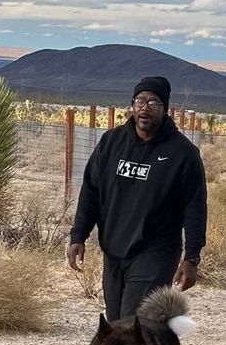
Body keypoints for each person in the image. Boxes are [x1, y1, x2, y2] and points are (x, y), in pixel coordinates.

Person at [67, 76, 207, 321]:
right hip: (114, 248)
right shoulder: (111, 142)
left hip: (156, 251)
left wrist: (192, 257)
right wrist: (79, 234)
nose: (145, 108)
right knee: (116, 322)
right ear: (132, 106)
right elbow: (91, 190)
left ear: (165, 109)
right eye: (140, 101)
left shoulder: (183, 153)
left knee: (132, 323)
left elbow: (194, 208)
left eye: (153, 103)